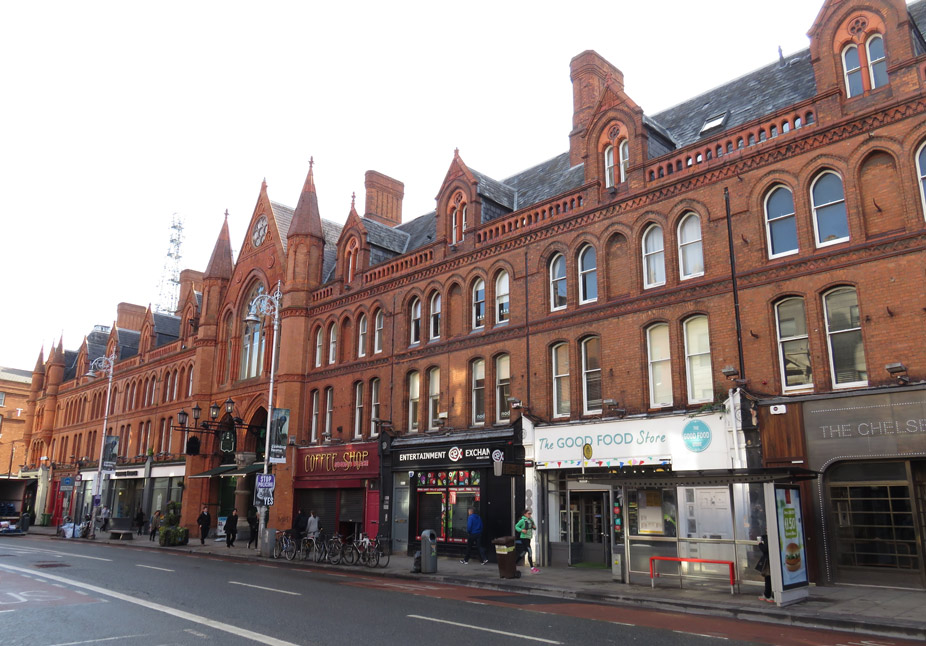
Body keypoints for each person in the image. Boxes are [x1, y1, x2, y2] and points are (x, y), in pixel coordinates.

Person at [515, 508, 539, 573]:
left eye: (530, 513)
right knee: (530, 551)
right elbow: (516, 526)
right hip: (524, 538)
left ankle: (514, 563)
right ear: (524, 514)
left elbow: (535, 527)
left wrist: (534, 527)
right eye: (528, 513)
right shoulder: (522, 520)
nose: (530, 515)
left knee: (524, 552)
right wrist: (521, 530)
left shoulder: (531, 520)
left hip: (528, 538)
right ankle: (532, 568)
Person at [756, 534, 773, 602]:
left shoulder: (769, 538)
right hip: (773, 560)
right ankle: (768, 594)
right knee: (770, 578)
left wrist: (760, 543)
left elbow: (765, 549)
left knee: (768, 578)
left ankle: (768, 595)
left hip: (768, 561)